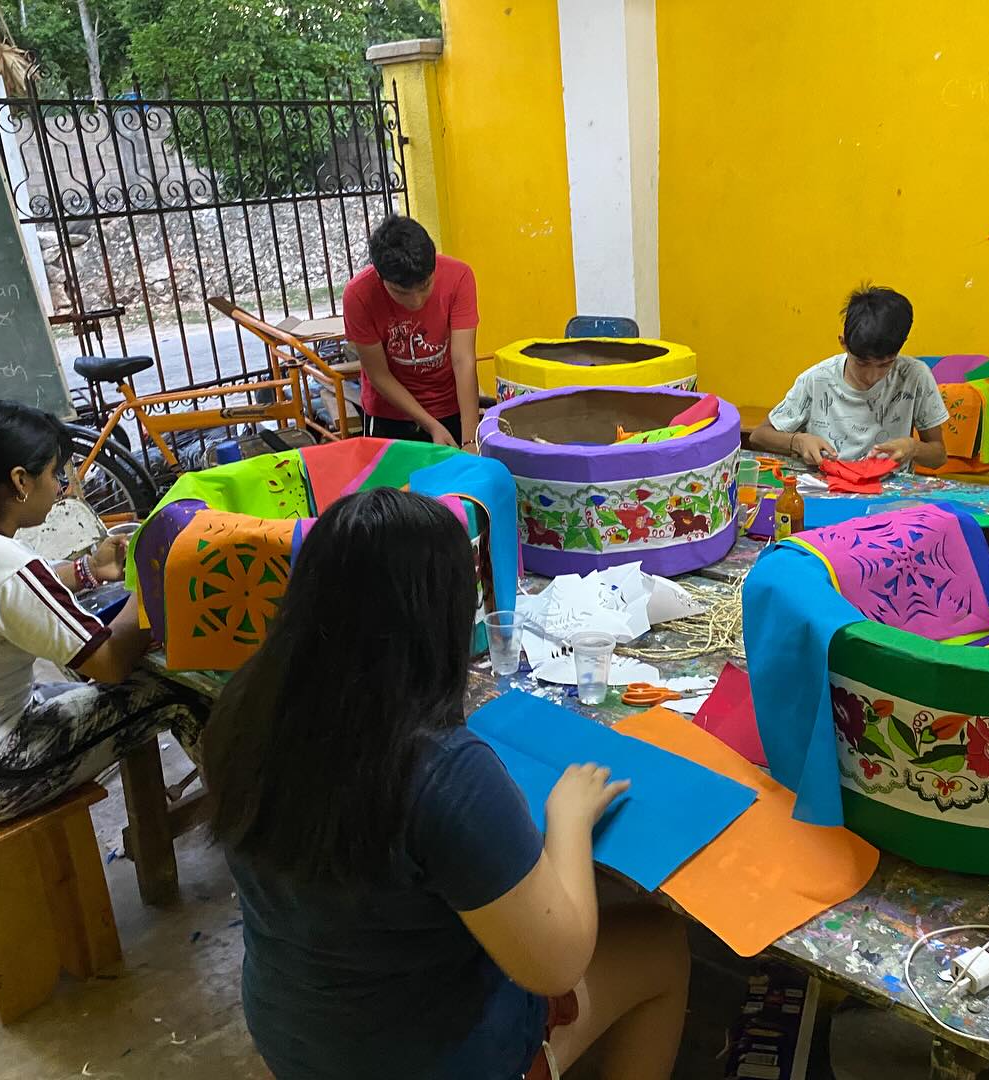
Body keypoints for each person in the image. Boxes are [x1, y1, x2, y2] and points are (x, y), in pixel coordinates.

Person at [201, 488, 690, 1080]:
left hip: (296, 1035)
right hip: (429, 1059)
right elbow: (557, 965)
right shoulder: (438, 770)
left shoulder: (242, 710)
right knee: (661, 942)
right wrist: (568, 820)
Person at [0, 399, 205, 829]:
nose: (61, 487)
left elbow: (4, 595)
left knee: (85, 682)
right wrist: (153, 581)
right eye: (55, 474)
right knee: (175, 691)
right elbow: (109, 662)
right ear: (20, 481)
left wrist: (89, 570)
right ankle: (253, 827)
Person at [750, 285, 950, 469]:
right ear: (843, 343)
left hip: (888, 493)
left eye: (885, 364)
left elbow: (939, 456)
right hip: (827, 487)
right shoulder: (817, 379)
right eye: (861, 363)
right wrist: (798, 441)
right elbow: (759, 436)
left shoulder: (915, 376)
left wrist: (913, 447)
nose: (872, 376)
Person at [343, 215, 481, 450]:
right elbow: (379, 375)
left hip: (452, 407)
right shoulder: (358, 296)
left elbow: (463, 360)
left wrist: (470, 438)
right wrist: (431, 425)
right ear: (380, 276)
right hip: (389, 415)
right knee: (391, 486)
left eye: (425, 286)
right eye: (400, 292)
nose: (416, 302)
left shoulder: (459, 277)